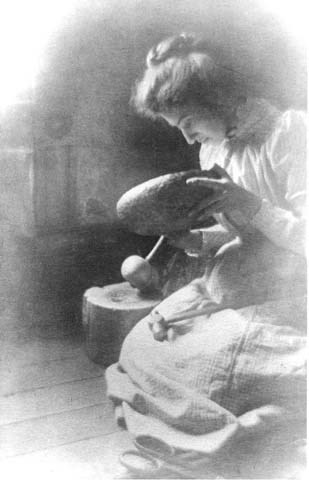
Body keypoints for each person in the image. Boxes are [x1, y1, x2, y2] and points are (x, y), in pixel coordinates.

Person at [106, 33, 306, 479]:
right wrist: (199, 241)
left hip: (294, 291)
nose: (186, 134)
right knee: (142, 344)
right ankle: (236, 433)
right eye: (177, 126)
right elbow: (238, 233)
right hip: (240, 279)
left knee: (223, 358)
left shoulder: (291, 133)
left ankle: (229, 441)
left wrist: (250, 204)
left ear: (220, 99)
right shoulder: (214, 147)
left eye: (188, 120)